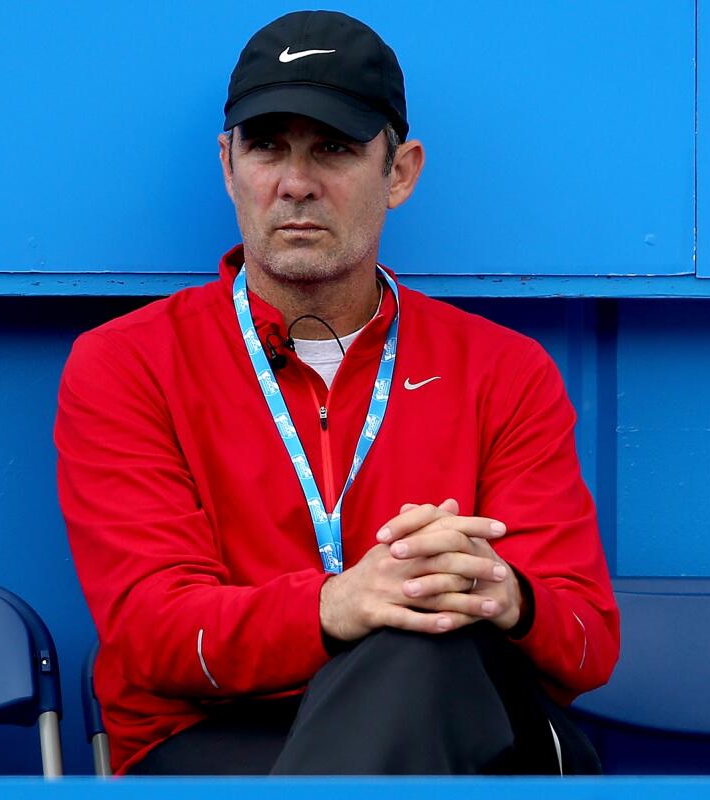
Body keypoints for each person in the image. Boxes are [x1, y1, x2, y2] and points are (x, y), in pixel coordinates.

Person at [55, 9, 619, 776]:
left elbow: (586, 640)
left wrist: (499, 592)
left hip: (462, 731)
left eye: (333, 149)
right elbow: (153, 633)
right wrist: (336, 606)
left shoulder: (503, 369)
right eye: (266, 147)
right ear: (227, 165)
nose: (295, 183)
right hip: (215, 743)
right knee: (407, 631)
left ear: (400, 172)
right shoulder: (126, 363)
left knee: (425, 641)